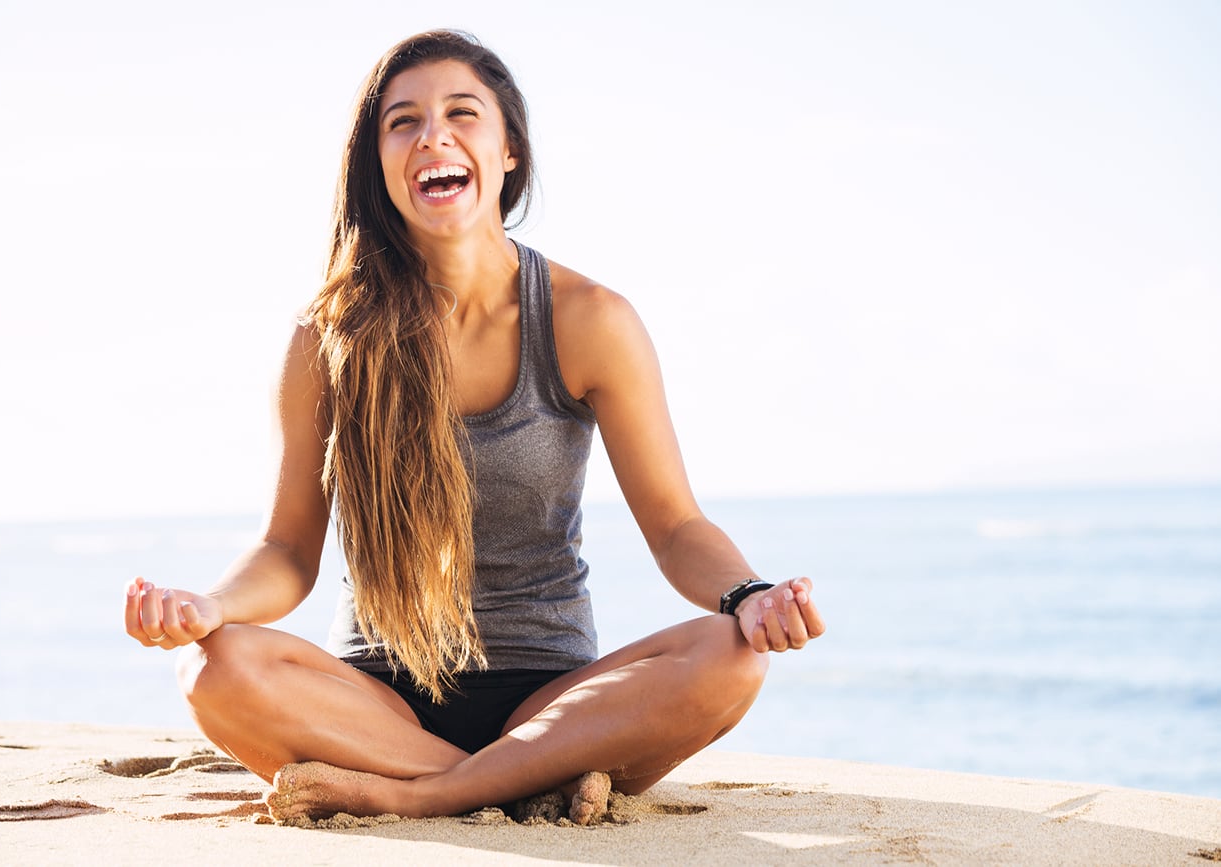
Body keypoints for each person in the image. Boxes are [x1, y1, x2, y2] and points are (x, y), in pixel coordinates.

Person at [123, 29, 825, 825]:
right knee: (212, 669)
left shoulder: (589, 320)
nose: (433, 135)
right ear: (379, 161)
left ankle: (414, 793)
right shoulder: (326, 338)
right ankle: (521, 782)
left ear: (509, 150)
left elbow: (675, 525)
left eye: (462, 113)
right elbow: (287, 550)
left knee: (730, 656)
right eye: (403, 121)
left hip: (551, 696)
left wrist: (749, 594)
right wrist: (211, 607)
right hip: (374, 706)